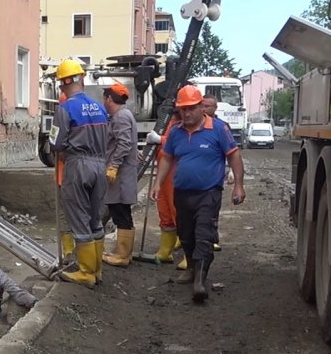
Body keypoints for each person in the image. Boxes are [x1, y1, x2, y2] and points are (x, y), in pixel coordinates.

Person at [151, 85, 246, 303]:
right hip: (182, 193)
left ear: (201, 107)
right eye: (183, 109)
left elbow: (234, 155)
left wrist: (238, 185)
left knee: (204, 234)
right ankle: (192, 269)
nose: (187, 113)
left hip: (208, 193)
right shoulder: (175, 132)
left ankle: (200, 282)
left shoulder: (218, 129)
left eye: (191, 108)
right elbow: (166, 157)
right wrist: (158, 183)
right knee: (186, 234)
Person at [51, 59, 110, 287]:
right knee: (95, 220)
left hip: (78, 165)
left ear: (62, 84)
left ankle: (85, 272)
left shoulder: (65, 109)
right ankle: (97, 270)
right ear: (82, 79)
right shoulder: (100, 107)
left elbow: (56, 143)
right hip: (100, 164)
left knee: (78, 217)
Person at [101, 84, 140, 267]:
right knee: (121, 212)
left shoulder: (121, 117)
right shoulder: (123, 115)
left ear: (109, 98)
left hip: (121, 175)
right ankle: (123, 252)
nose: (104, 102)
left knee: (120, 211)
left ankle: (123, 255)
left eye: (104, 98)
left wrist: (113, 165)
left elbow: (123, 144)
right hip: (122, 173)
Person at [146, 112, 188, 270]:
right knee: (164, 210)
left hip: (177, 171)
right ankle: (165, 250)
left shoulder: (186, 122)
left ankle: (189, 255)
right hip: (164, 171)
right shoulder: (168, 119)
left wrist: (160, 140)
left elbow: (181, 142)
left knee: (180, 213)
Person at [201, 95, 232, 251]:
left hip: (214, 179)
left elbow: (231, 152)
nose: (204, 109)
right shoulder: (194, 126)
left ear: (215, 108)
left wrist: (231, 171)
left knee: (212, 211)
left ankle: (212, 239)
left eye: (208, 106)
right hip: (196, 179)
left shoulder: (221, 126)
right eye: (203, 105)